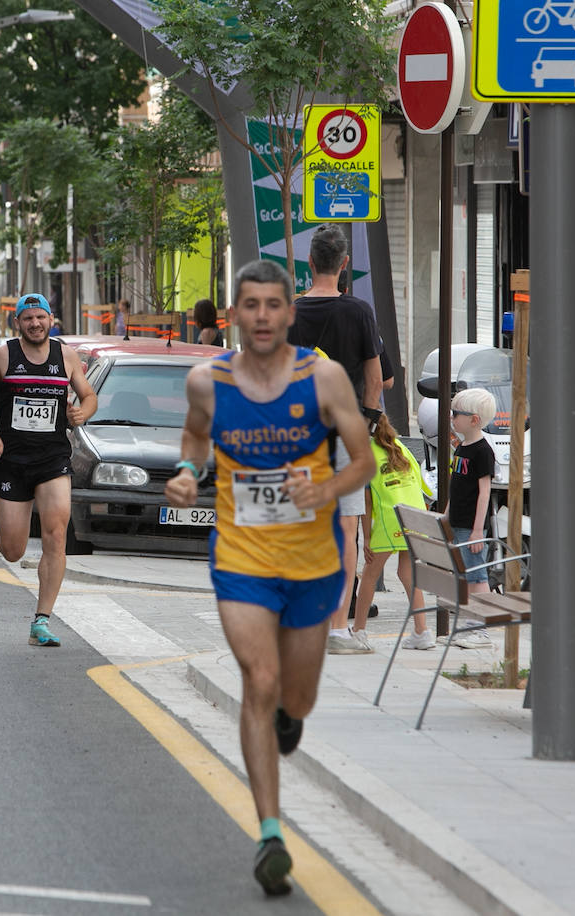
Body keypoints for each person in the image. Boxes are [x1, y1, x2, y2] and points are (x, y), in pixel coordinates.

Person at [164, 259, 374, 896]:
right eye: (249, 305)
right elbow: (196, 439)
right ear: (233, 315)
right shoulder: (207, 381)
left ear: (289, 313)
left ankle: (291, 713)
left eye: (271, 306)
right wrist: (185, 471)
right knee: (259, 679)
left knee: (296, 698)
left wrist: (324, 490)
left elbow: (363, 461)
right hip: (242, 557)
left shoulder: (324, 379)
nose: (261, 316)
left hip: (312, 563)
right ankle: (271, 834)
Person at [0, 293, 97, 648]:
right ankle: (6, 536)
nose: (35, 324)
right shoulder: (4, 355)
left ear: (51, 319)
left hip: (53, 459)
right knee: (13, 549)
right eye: (28, 319)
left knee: (56, 536)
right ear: (18, 323)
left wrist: (83, 412)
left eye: (41, 317)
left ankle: (42, 619)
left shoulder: (66, 356)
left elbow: (88, 396)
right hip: (13, 460)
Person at [286, 224, 383, 655]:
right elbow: (375, 381)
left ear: (310, 263)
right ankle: (339, 628)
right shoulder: (359, 312)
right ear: (345, 265)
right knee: (346, 530)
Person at [352, 413, 435, 650]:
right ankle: (422, 631)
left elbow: (366, 503)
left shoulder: (366, 454)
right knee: (407, 572)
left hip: (391, 520)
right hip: (415, 517)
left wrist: (366, 537)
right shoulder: (401, 447)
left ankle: (358, 632)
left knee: (369, 574)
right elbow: (423, 487)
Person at [442, 387, 498, 648]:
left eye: (456, 414)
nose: (452, 418)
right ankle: (473, 623)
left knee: (477, 576)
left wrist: (478, 530)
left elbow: (484, 492)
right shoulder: (461, 447)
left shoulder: (482, 451)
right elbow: (456, 484)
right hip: (458, 521)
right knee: (469, 574)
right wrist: (447, 512)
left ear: (473, 419)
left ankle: (482, 629)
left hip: (471, 525)